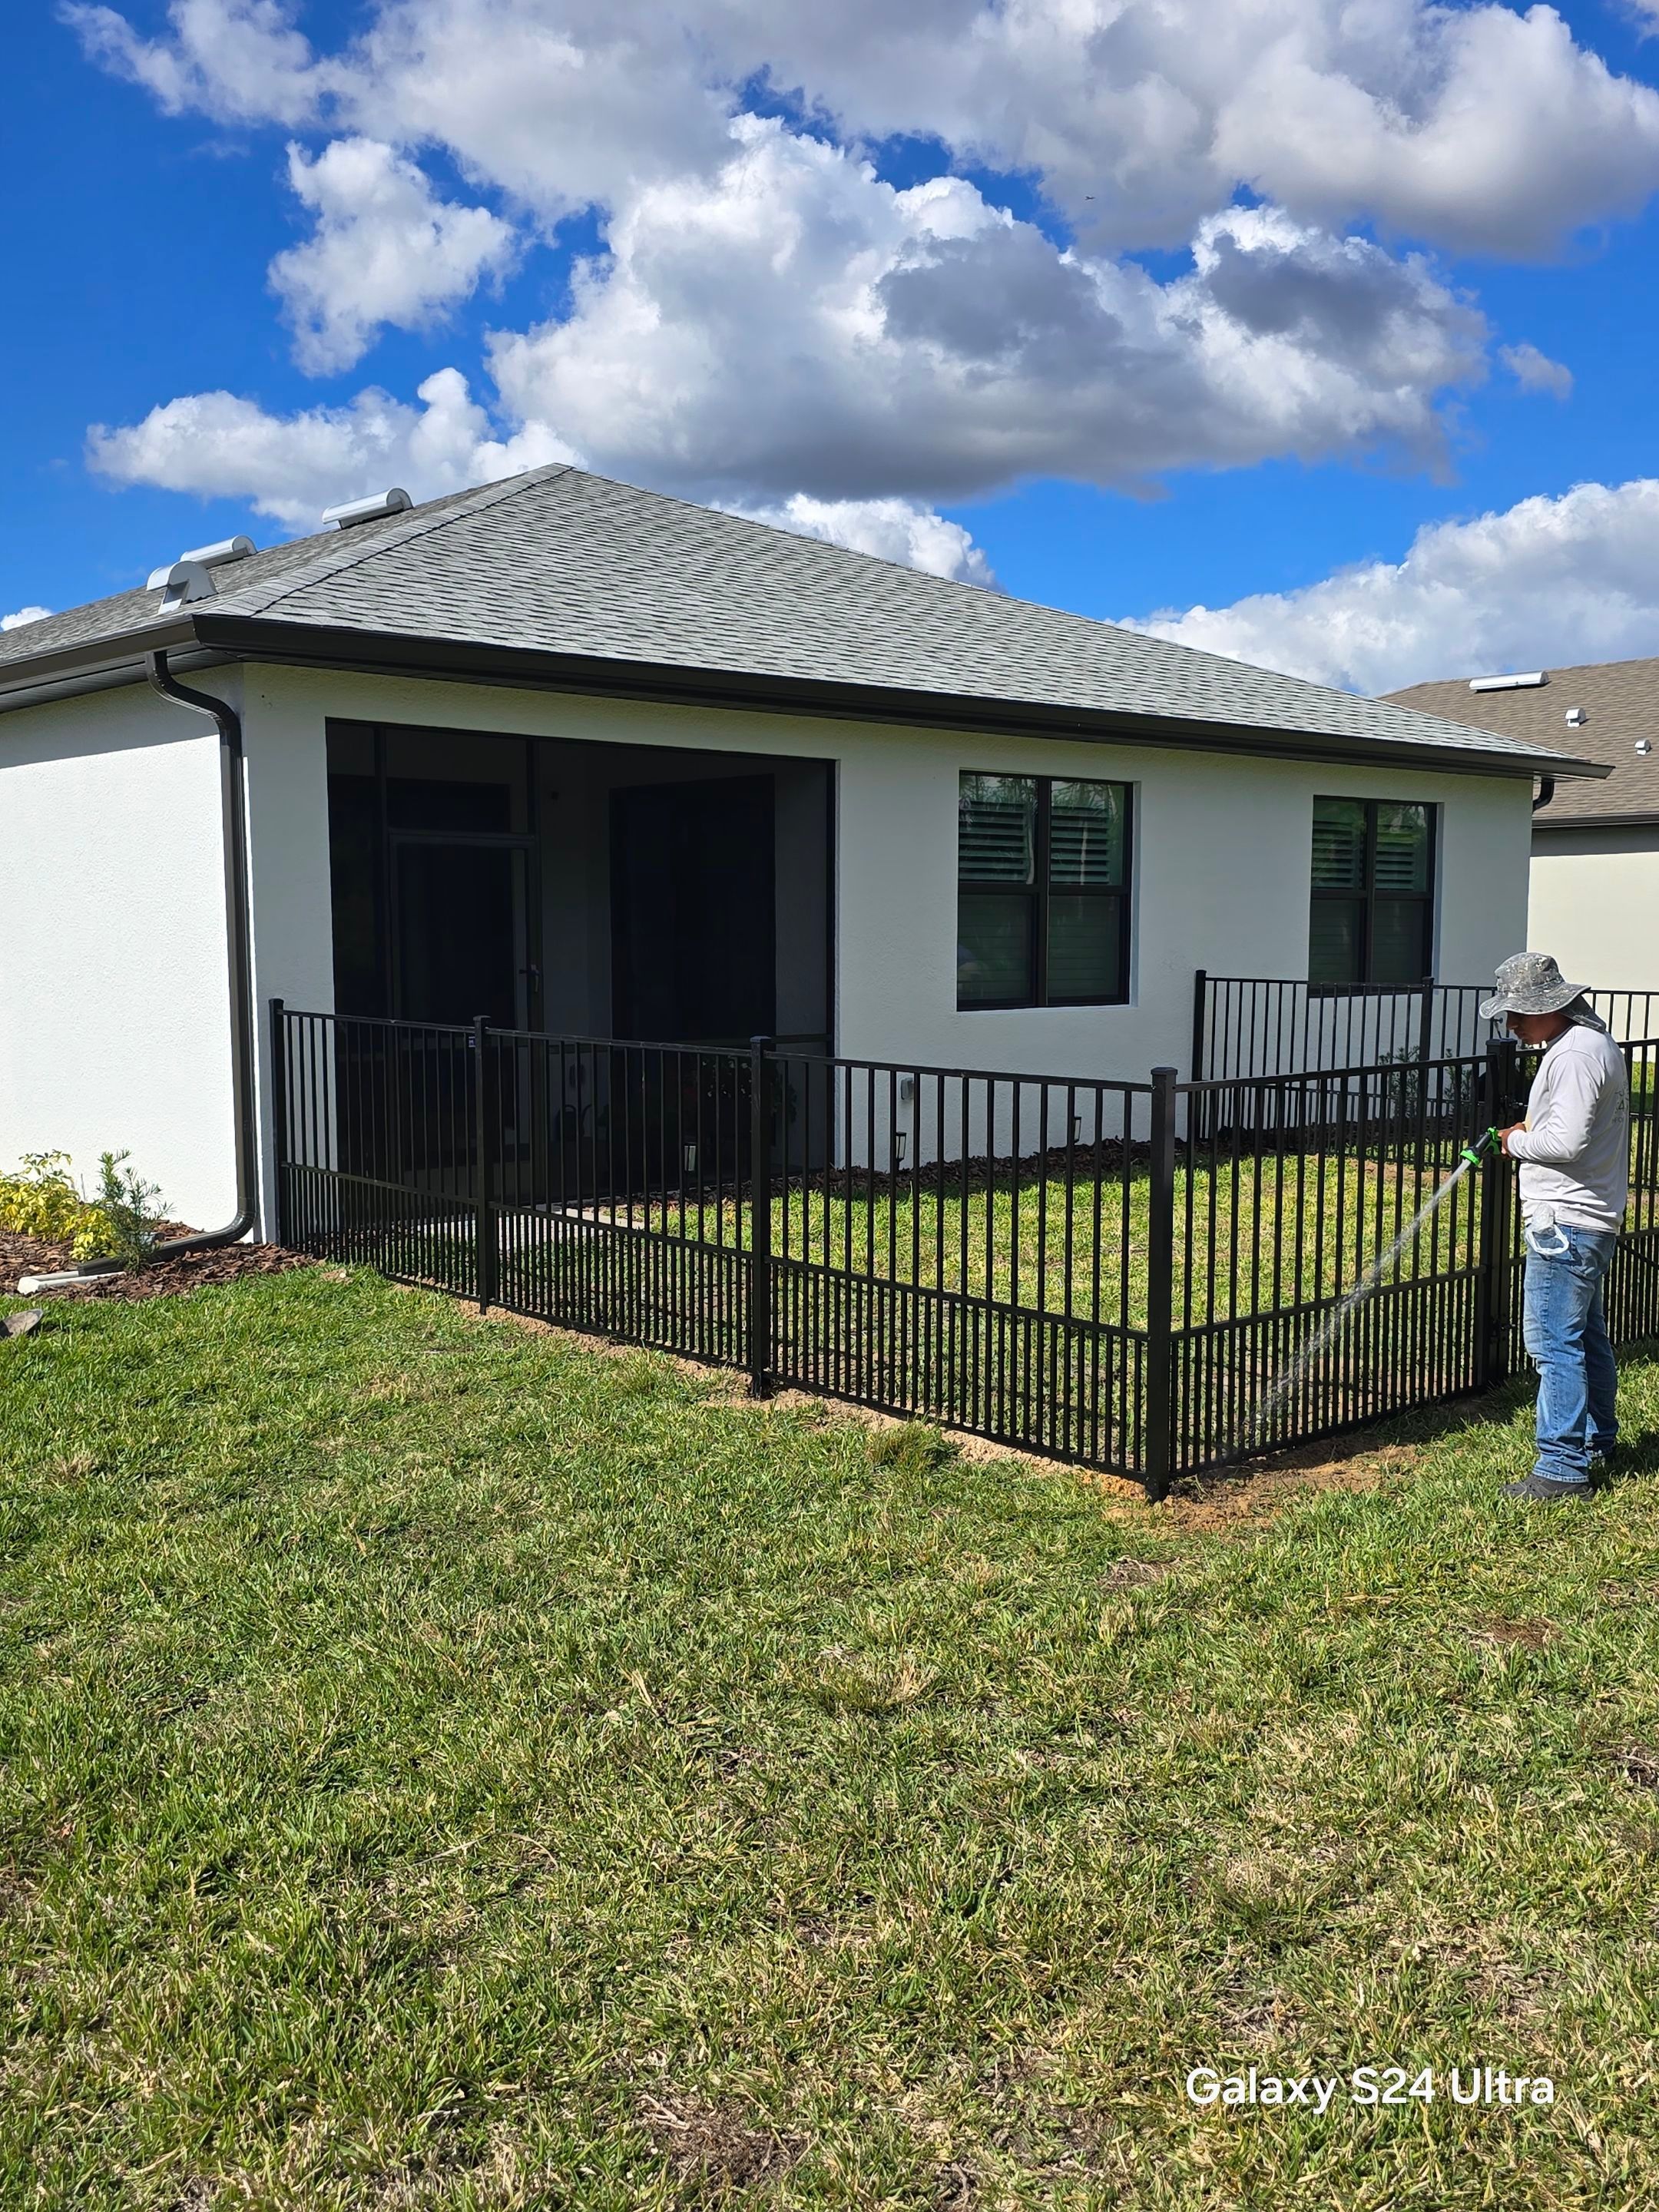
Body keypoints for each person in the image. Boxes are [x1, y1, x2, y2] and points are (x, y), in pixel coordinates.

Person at [1483, 952, 1630, 1504]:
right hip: (1591, 1216)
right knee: (1586, 1336)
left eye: (1519, 1013)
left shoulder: (1572, 1057)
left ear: (1552, 1006)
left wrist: (1513, 1141)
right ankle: (1597, 1441)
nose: (1512, 1025)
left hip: (1562, 1220)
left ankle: (1562, 1471)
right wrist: (1533, 1124)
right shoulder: (1594, 1045)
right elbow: (1577, 1127)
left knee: (1553, 1345)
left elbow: (1565, 1145)